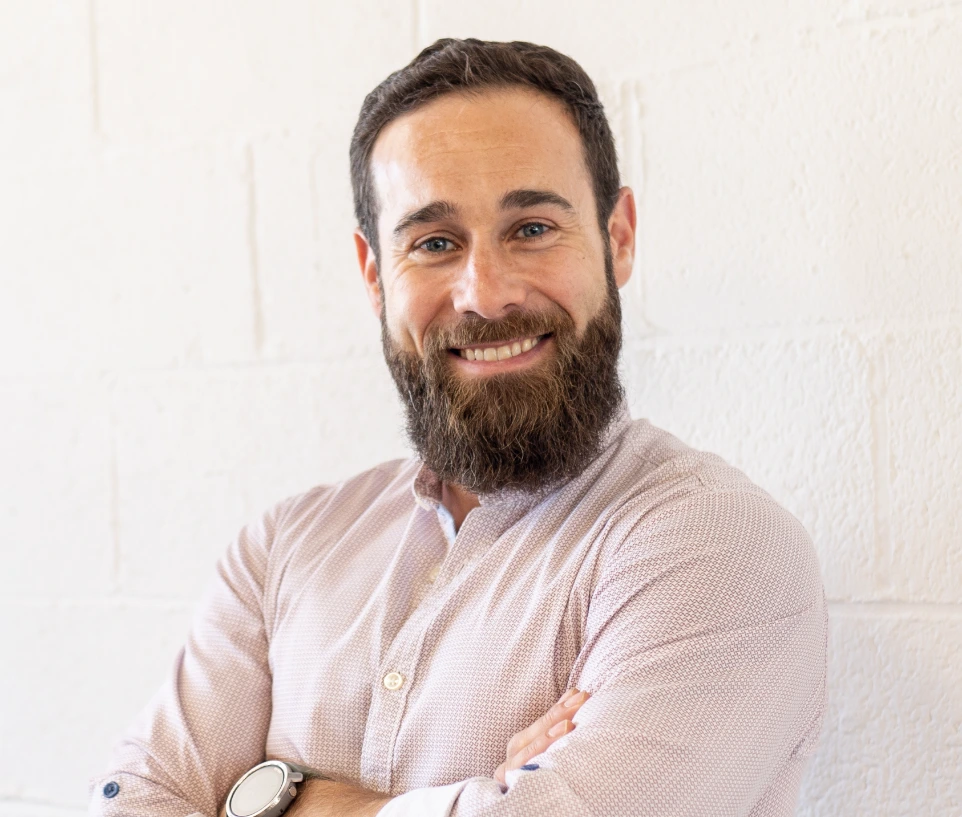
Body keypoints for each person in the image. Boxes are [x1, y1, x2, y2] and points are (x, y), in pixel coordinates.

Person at [88, 38, 827, 817]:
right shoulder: (284, 548)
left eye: (532, 227)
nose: (485, 293)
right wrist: (472, 800)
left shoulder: (716, 542)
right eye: (435, 243)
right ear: (375, 275)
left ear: (618, 238)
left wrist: (272, 802)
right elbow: (138, 798)